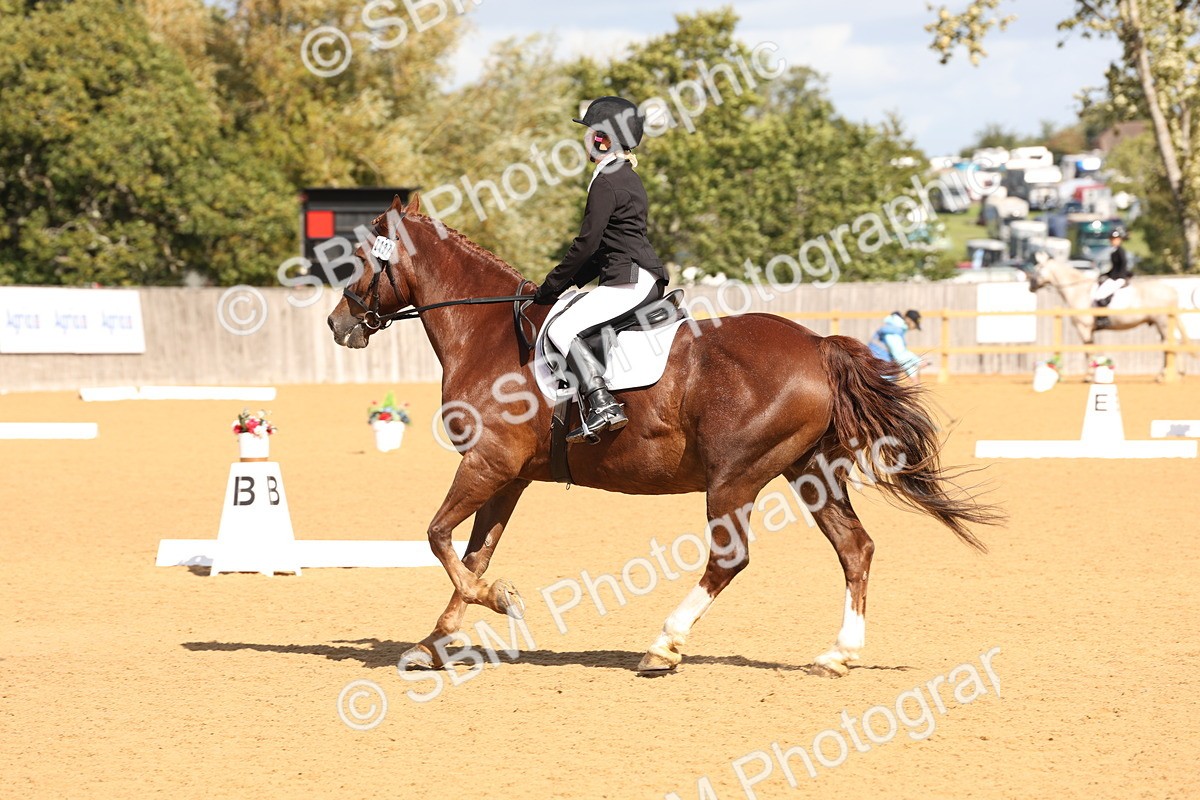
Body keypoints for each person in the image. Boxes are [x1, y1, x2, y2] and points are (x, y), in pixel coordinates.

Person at [533, 96, 669, 443]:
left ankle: (602, 404)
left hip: (628, 280)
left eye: (589, 132)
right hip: (639, 276)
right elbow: (607, 246)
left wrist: (549, 287)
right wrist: (569, 284)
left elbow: (587, 244)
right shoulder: (626, 176)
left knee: (561, 330)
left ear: (601, 140)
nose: (585, 140)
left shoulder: (607, 180)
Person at [868, 309, 925, 382]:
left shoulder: (893, 329)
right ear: (909, 321)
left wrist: (917, 361)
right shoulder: (893, 331)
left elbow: (902, 352)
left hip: (879, 368)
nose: (914, 328)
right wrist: (913, 376)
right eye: (915, 325)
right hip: (880, 371)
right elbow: (900, 355)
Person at [1093, 229, 1131, 330]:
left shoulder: (1120, 251)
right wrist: (1104, 275)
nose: (1113, 241)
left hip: (1119, 278)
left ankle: (1104, 318)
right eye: (1112, 239)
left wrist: (1116, 276)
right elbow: (1114, 268)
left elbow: (1123, 266)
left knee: (1099, 295)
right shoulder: (1114, 252)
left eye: (1115, 239)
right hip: (1115, 277)